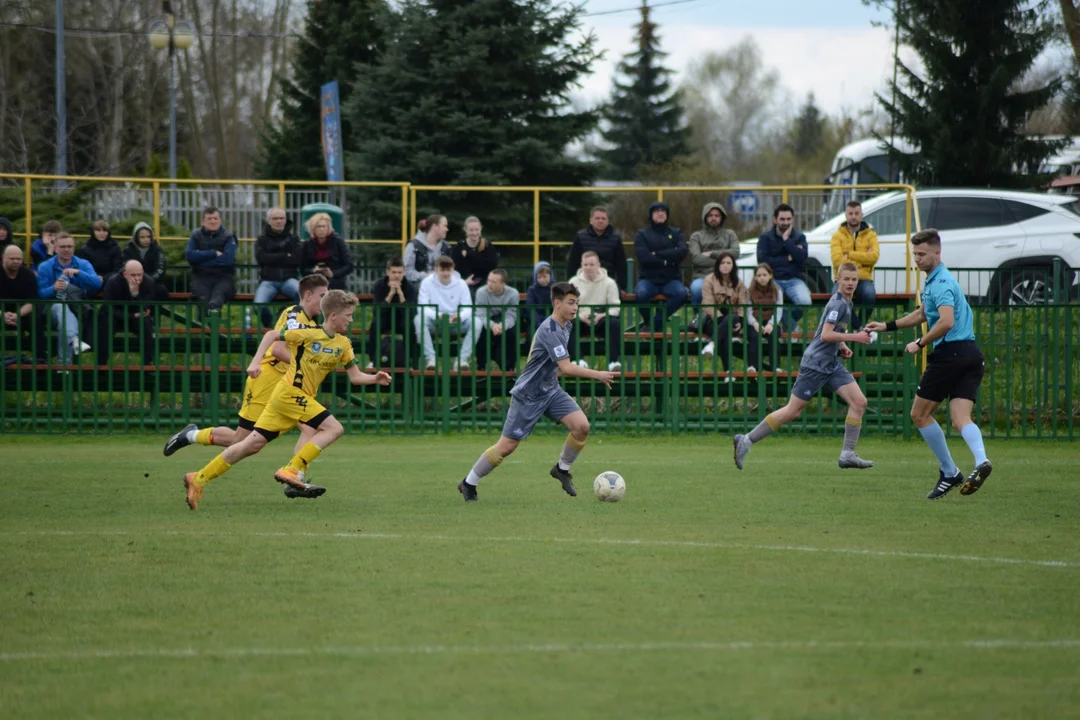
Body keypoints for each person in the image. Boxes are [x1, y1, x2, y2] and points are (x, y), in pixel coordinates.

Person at [181, 289, 392, 511]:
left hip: (288, 398)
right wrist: (255, 362)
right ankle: (293, 469)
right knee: (334, 428)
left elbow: (355, 376)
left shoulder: (344, 344)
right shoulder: (308, 333)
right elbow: (271, 335)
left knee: (250, 445)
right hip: (290, 393)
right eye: (348, 315)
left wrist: (374, 378)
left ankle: (198, 478)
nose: (351, 319)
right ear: (333, 316)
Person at [163, 274, 330, 499]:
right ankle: (191, 435)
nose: (325, 300)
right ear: (308, 295)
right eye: (322, 295)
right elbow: (280, 350)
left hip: (286, 386)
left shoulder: (311, 324)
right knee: (240, 440)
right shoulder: (294, 314)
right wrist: (310, 364)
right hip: (267, 379)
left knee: (311, 427)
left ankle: (294, 478)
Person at [456, 282, 618, 502]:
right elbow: (567, 368)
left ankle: (561, 469)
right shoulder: (549, 330)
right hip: (528, 394)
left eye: (577, 303)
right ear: (557, 303)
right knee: (507, 446)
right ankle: (468, 483)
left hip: (550, 390)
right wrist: (598, 374)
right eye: (570, 303)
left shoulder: (566, 325)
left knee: (581, 427)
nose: (574, 308)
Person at [865, 229, 992, 500]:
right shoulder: (935, 281)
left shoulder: (942, 282)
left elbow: (945, 321)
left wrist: (920, 343)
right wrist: (888, 326)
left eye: (922, 254)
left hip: (951, 355)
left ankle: (949, 471)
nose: (918, 260)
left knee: (919, 415)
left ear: (938, 252)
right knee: (960, 419)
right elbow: (924, 313)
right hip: (971, 354)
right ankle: (981, 460)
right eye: (915, 255)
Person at [733, 262, 874, 471]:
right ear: (837, 279)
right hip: (815, 364)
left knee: (859, 402)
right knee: (793, 411)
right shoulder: (838, 304)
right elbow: (826, 335)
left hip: (831, 363)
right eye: (846, 279)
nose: (850, 283)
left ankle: (847, 454)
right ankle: (746, 440)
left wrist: (842, 344)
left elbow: (828, 332)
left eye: (854, 280)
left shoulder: (846, 302)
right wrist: (855, 337)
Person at [36, 232, 102, 364]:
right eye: (63, 247)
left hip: (78, 308)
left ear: (74, 247)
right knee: (62, 308)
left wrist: (79, 273)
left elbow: (98, 283)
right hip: (52, 309)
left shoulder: (83, 264)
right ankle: (73, 342)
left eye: (70, 246)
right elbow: (41, 294)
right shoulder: (45, 266)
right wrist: (53, 288)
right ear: (55, 248)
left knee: (65, 320)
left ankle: (64, 366)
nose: (67, 250)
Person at [634, 201, 688, 331]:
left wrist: (658, 254)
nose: (660, 213)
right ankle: (648, 322)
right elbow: (644, 257)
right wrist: (667, 260)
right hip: (648, 279)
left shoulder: (676, 232)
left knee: (681, 294)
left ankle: (654, 324)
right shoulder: (642, 234)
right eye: (656, 211)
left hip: (671, 279)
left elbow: (682, 252)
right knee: (640, 294)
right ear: (651, 214)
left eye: (663, 211)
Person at [757, 204, 811, 331]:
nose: (786, 222)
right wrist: (787, 259)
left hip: (794, 279)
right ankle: (792, 327)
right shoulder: (765, 238)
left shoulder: (799, 237)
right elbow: (762, 261)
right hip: (773, 279)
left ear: (792, 219)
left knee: (805, 302)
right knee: (775, 303)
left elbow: (802, 258)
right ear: (775, 219)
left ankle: (786, 322)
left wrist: (787, 240)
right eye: (782, 219)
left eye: (788, 219)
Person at [95, 260, 158, 366]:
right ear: (125, 274)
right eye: (133, 275)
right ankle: (101, 364)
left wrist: (135, 295)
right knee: (105, 324)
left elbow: (145, 307)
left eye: (139, 275)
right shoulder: (113, 282)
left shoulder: (149, 282)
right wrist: (131, 315)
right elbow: (109, 307)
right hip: (115, 315)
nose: (137, 278)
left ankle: (148, 364)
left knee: (146, 325)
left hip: (136, 316)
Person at [415, 256, 473, 370]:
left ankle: (462, 360)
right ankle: (431, 359)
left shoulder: (461, 284)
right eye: (442, 270)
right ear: (436, 270)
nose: (446, 273)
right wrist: (438, 315)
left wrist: (459, 316)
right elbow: (422, 307)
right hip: (435, 323)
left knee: (477, 322)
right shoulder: (426, 282)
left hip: (457, 323)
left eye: (448, 270)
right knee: (418, 320)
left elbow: (468, 308)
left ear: (453, 269)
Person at [568, 251, 622, 372]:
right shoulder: (573, 282)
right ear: (581, 265)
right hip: (580, 319)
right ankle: (577, 360)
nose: (588, 267)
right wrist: (579, 316)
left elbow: (615, 307)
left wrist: (602, 315)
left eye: (591, 264)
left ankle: (613, 362)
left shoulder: (610, 283)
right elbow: (567, 307)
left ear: (598, 265)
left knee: (615, 324)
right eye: (585, 264)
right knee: (568, 324)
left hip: (600, 319)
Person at [829, 200, 879, 328]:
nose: (853, 216)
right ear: (846, 215)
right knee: (838, 298)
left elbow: (873, 257)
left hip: (863, 278)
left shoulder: (871, 234)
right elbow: (837, 260)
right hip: (842, 278)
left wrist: (850, 255)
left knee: (869, 295)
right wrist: (863, 259)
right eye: (850, 213)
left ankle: (857, 327)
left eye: (857, 213)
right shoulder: (837, 235)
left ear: (861, 215)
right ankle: (859, 327)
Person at [699, 251, 749, 375]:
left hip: (733, 318)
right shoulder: (709, 280)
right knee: (725, 334)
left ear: (733, 265)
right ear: (718, 265)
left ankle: (712, 344)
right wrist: (723, 321)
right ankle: (728, 373)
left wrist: (741, 322)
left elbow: (742, 304)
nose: (725, 265)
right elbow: (708, 304)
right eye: (722, 263)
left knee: (731, 318)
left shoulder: (739, 282)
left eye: (729, 263)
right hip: (712, 319)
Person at [254, 208, 302, 327]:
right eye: (275, 218)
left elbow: (297, 260)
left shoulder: (294, 239)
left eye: (281, 218)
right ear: (269, 221)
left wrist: (272, 257)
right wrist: (285, 255)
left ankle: (283, 313)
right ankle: (271, 326)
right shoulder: (262, 240)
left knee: (304, 296)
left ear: (286, 220)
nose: (279, 221)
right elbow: (261, 259)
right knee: (258, 305)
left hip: (289, 279)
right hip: (268, 281)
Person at [367, 257, 417, 369]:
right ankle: (373, 360)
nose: (397, 276)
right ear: (387, 272)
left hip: (401, 319)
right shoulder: (379, 285)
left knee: (411, 326)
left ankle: (410, 361)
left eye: (399, 272)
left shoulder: (410, 288)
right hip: (385, 318)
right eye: (393, 272)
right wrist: (390, 295)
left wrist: (400, 294)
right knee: (375, 324)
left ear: (404, 273)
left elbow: (410, 314)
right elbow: (377, 312)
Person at [185, 207, 237, 312]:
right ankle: (204, 327)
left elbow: (227, 260)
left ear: (220, 220)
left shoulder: (229, 237)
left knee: (216, 300)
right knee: (202, 300)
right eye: (209, 219)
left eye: (215, 218)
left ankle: (213, 326)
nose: (213, 221)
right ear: (203, 221)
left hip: (223, 277)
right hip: (200, 277)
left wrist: (200, 260)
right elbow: (189, 255)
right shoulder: (196, 236)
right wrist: (213, 253)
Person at [689, 203, 740, 305]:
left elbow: (735, 252)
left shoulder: (730, 234)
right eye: (710, 215)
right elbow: (696, 259)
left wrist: (712, 254)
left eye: (717, 216)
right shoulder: (696, 236)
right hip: (702, 276)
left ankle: (726, 319)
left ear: (722, 218)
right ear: (705, 217)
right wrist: (724, 260)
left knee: (737, 290)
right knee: (696, 289)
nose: (713, 218)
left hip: (727, 277)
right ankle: (698, 318)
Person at [567, 206, 628, 291]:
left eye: (603, 218)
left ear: (608, 221)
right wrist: (570, 286)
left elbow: (621, 265)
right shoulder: (580, 237)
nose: (600, 221)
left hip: (609, 281)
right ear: (591, 220)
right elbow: (572, 262)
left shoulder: (616, 238)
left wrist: (622, 287)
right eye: (597, 218)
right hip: (585, 281)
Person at [470, 268, 520, 371]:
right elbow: (481, 314)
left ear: (502, 283)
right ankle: (481, 366)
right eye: (488, 280)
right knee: (480, 330)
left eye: (493, 282)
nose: (489, 284)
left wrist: (502, 326)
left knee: (511, 333)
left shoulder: (513, 293)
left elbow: (511, 315)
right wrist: (492, 325)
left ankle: (509, 368)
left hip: (504, 321)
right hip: (487, 320)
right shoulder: (481, 292)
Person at [0, 245, 44, 360]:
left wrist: (17, 315)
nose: (16, 261)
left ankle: (40, 359)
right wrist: (2, 315)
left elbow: (31, 302)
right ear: (4, 258)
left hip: (22, 314)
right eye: (12, 258)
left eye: (19, 259)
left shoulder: (28, 275)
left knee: (35, 319)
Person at [299, 212, 353, 291]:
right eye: (318, 227)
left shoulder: (338, 241)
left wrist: (333, 273)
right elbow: (303, 269)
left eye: (324, 226)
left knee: (328, 286)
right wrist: (313, 271)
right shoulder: (307, 244)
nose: (321, 229)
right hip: (314, 278)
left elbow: (349, 266)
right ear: (313, 229)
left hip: (335, 279)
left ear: (329, 228)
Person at [746, 263, 784, 372]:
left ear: (770, 275)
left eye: (764, 275)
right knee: (754, 336)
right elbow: (748, 311)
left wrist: (771, 324)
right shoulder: (750, 292)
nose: (761, 278)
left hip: (771, 320)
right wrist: (754, 323)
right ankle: (753, 366)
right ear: (755, 277)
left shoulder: (777, 291)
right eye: (758, 275)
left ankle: (775, 366)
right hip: (755, 320)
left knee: (773, 336)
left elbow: (778, 310)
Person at [451, 216, 499, 296]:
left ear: (481, 229)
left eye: (477, 230)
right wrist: (464, 281)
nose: (474, 233)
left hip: (485, 285)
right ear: (465, 230)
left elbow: (493, 267)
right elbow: (454, 268)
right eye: (471, 230)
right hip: (463, 285)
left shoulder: (487, 246)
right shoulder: (459, 247)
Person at [123, 222, 170, 301]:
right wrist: (137, 281)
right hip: (132, 283)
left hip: (154, 283)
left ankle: (151, 312)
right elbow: (125, 268)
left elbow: (160, 270)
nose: (146, 240)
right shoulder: (128, 250)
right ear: (136, 237)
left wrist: (145, 281)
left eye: (148, 237)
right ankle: (132, 312)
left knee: (161, 291)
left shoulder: (157, 250)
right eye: (142, 237)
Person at [404, 215, 451, 287]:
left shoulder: (446, 247)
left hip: (442, 288)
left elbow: (451, 270)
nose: (447, 229)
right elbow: (406, 272)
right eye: (445, 226)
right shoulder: (413, 246)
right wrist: (426, 276)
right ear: (434, 226)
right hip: (419, 289)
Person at [76, 220, 124, 286]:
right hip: (91, 279)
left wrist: (104, 278)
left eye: (104, 230)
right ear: (93, 232)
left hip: (111, 279)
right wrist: (96, 277)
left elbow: (117, 269)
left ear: (108, 232)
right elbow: (84, 269)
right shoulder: (85, 249)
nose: (102, 233)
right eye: (98, 230)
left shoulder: (115, 248)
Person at [526, 262, 553, 334]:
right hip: (536, 322)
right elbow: (531, 309)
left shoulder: (556, 289)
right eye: (539, 277)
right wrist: (539, 324)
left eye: (544, 277)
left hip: (553, 320)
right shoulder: (532, 290)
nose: (542, 280)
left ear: (550, 276)